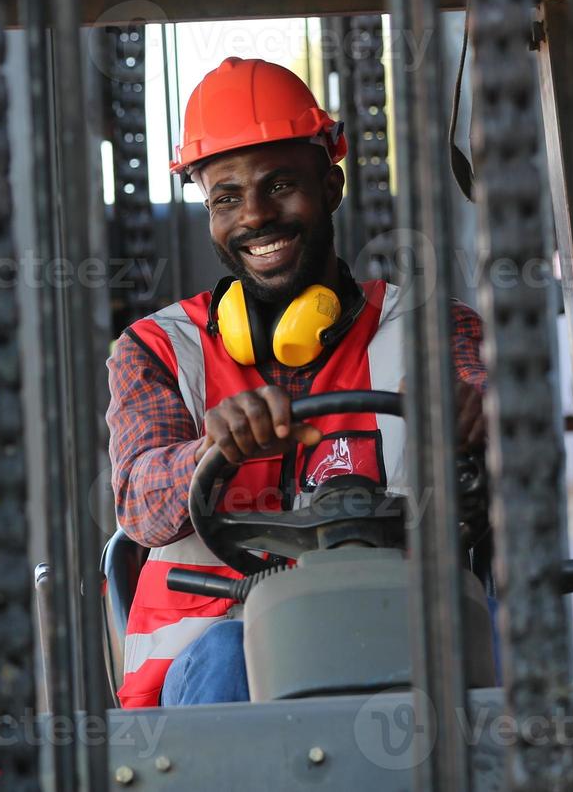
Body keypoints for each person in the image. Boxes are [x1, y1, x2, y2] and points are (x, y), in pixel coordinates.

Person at [105, 56, 487, 708]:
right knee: (230, 660)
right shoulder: (157, 348)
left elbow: (498, 408)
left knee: (505, 662)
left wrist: (481, 415)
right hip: (214, 653)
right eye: (226, 197)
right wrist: (211, 453)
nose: (255, 216)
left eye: (280, 185)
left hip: (394, 631)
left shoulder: (428, 328)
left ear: (331, 187)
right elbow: (139, 504)